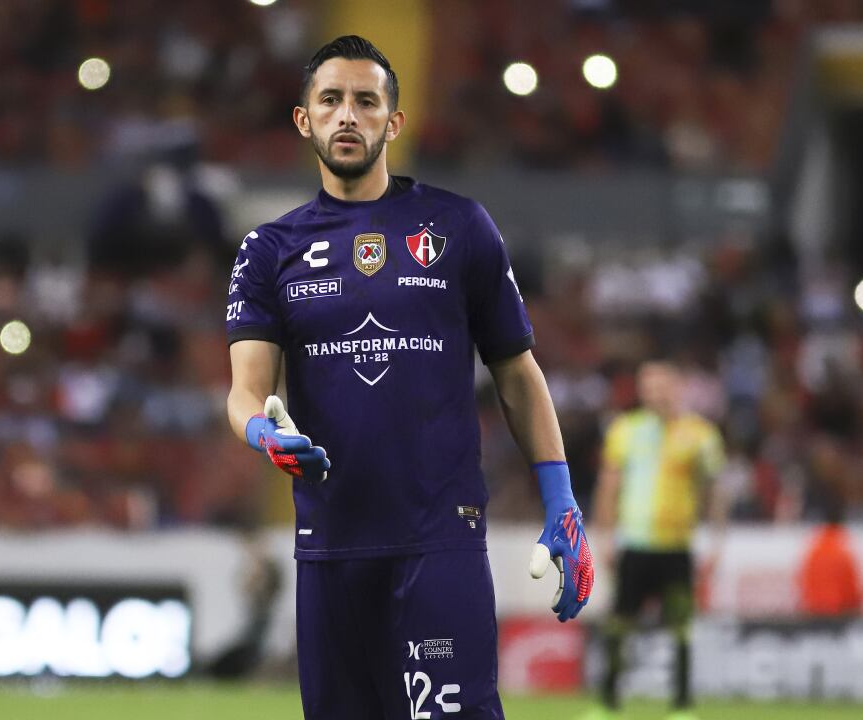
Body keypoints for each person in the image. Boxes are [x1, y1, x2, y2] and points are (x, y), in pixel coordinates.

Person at [225, 35, 594, 719]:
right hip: (330, 552)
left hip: (439, 543)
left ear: (393, 122)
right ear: (303, 119)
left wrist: (561, 499)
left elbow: (516, 371)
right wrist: (259, 432)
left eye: (366, 102)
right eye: (330, 100)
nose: (347, 116)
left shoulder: (458, 227)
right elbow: (246, 387)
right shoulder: (269, 250)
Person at [587, 360, 728, 720]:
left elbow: (716, 492)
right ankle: (607, 703)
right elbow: (608, 487)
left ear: (677, 387)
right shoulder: (625, 430)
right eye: (647, 386)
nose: (654, 393)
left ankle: (681, 705)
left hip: (677, 545)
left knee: (680, 626)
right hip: (634, 543)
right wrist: (603, 538)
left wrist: (717, 543)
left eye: (660, 385)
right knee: (620, 622)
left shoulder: (700, 435)